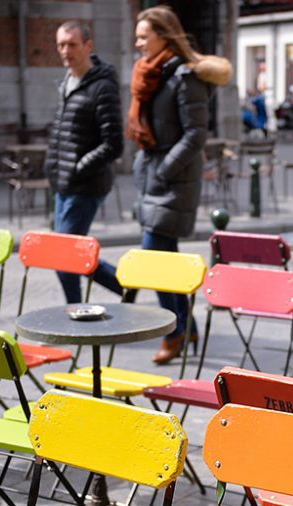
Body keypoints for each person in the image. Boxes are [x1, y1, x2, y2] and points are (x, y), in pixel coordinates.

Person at [127, 6, 232, 365]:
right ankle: (186, 326)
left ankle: (174, 332)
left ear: (164, 36)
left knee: (153, 257)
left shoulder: (184, 77)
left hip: (174, 179)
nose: (138, 42)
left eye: (144, 36)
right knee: (166, 260)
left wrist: (164, 170)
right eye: (138, 36)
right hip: (154, 174)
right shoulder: (151, 74)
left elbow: (195, 135)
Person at [45, 20, 124, 303]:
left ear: (88, 46)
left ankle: (76, 313)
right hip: (62, 182)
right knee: (71, 255)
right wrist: (52, 167)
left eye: (72, 44)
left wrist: (79, 167)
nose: (65, 51)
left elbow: (113, 144)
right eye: (61, 45)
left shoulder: (102, 87)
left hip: (86, 184)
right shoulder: (66, 82)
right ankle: (124, 286)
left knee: (63, 258)